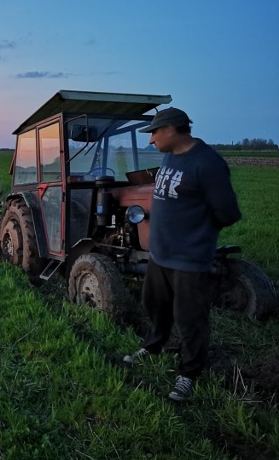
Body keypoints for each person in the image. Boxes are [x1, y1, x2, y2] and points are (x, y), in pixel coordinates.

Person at [123, 107, 241, 402]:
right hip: (160, 254)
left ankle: (189, 373)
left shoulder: (207, 163)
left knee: (190, 319)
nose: (151, 140)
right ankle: (152, 346)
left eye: (153, 132)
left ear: (171, 130)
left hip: (189, 259)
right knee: (155, 306)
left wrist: (194, 235)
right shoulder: (169, 156)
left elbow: (227, 213)